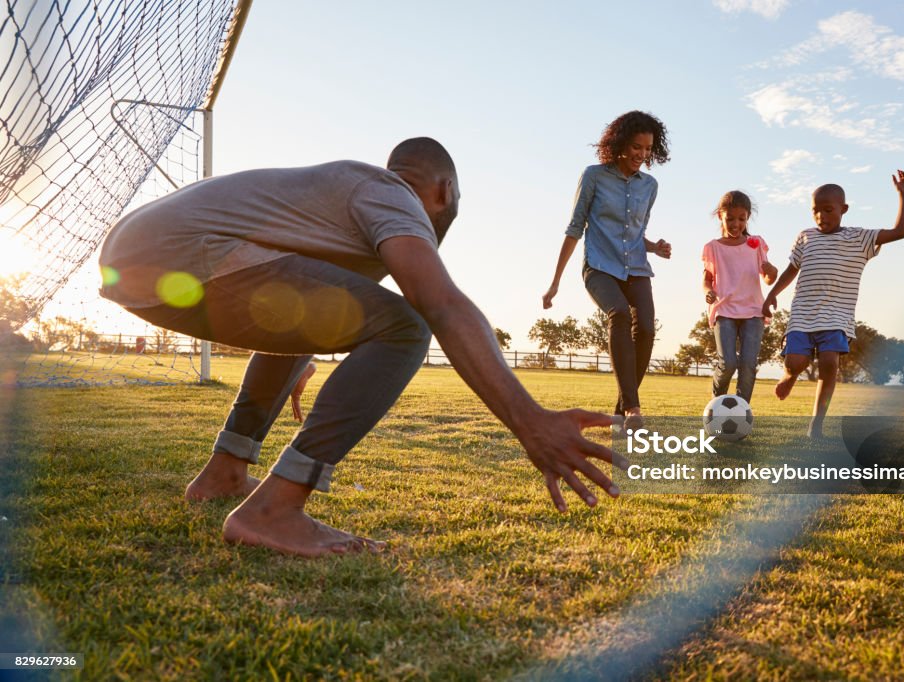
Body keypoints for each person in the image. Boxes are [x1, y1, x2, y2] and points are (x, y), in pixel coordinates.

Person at [99, 137, 623, 557]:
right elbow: (441, 304)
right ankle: (273, 512)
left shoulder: (347, 204)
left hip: (137, 259)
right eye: (455, 198)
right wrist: (529, 419)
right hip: (183, 251)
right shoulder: (390, 192)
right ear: (444, 189)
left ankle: (224, 473)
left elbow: (297, 303)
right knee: (407, 325)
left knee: (326, 319)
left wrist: (296, 347)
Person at [541, 111, 672, 432]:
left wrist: (657, 247)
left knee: (647, 330)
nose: (642, 155)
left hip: (637, 268)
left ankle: (620, 413)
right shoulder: (594, 176)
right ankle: (633, 408)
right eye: (636, 147)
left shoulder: (649, 186)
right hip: (600, 266)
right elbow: (575, 228)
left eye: (647, 149)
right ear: (620, 144)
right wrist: (555, 282)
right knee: (619, 314)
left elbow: (635, 233)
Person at [762, 170, 904, 438]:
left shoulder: (859, 238)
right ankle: (790, 376)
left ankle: (817, 423)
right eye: (815, 211)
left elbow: (899, 232)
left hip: (836, 316)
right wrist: (772, 293)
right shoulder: (805, 236)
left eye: (828, 210)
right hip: (803, 315)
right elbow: (791, 269)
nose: (821, 216)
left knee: (830, 363)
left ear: (843, 209)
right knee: (795, 362)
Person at [701, 190, 778, 404]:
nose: (736, 224)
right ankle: (717, 405)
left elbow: (768, 279)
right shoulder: (713, 248)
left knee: (747, 364)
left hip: (753, 311)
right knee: (728, 363)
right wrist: (708, 291)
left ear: (748, 217)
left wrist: (772, 271)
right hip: (724, 310)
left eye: (741, 219)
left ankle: (741, 409)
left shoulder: (756, 244)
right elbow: (707, 279)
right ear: (720, 217)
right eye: (730, 219)